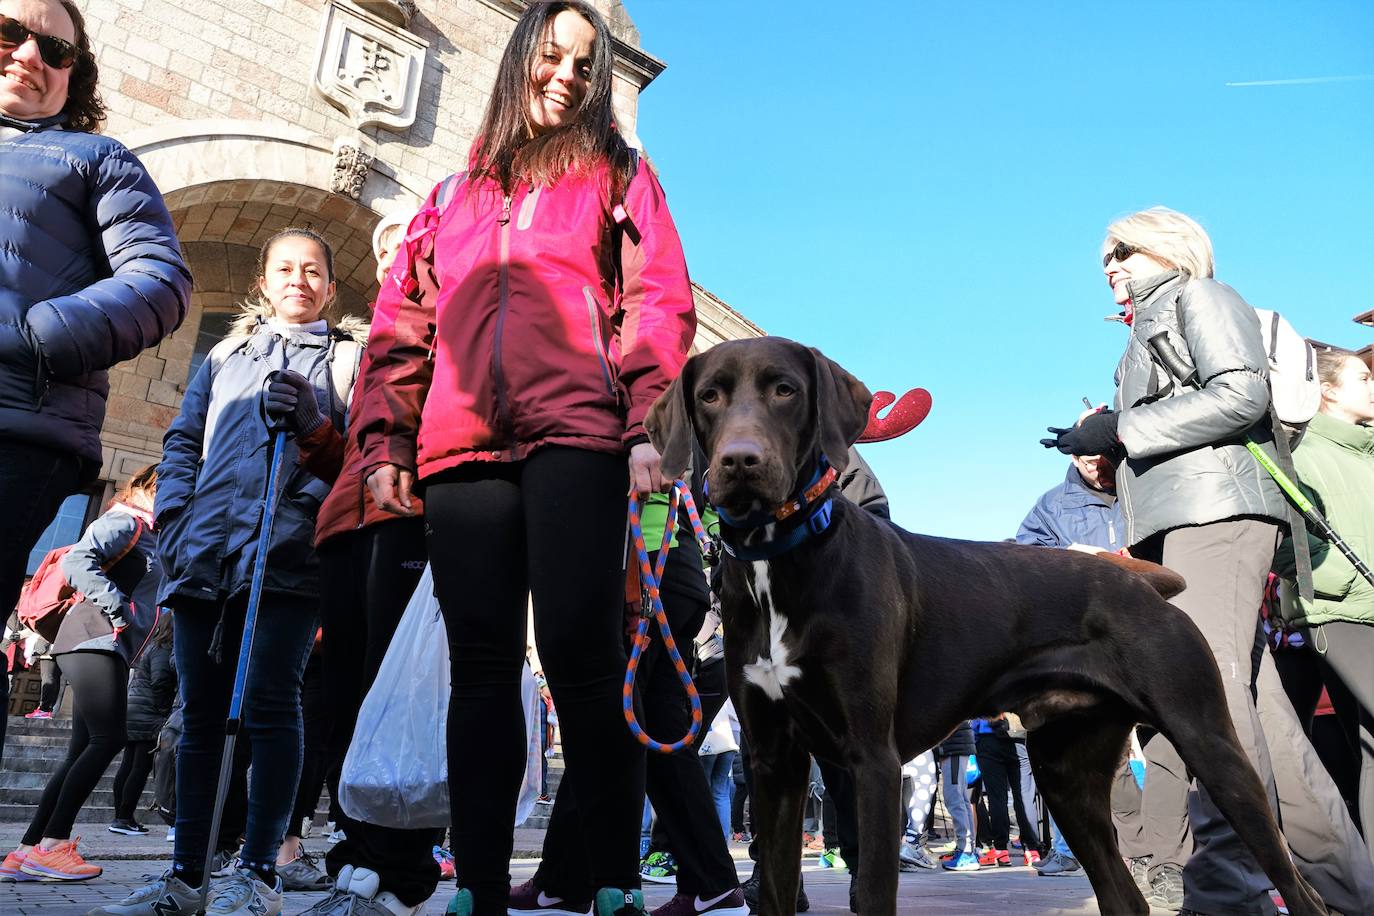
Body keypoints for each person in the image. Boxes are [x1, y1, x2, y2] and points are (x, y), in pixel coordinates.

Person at [354, 4, 695, 914]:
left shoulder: (620, 174)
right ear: (520, 60)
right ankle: (479, 886)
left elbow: (656, 303)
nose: (568, 77)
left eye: (586, 66)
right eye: (552, 56)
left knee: (584, 658)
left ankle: (614, 880)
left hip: (578, 436)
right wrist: (384, 441)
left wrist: (647, 429)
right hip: (460, 449)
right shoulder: (449, 197)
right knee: (481, 666)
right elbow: (401, 327)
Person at [1045, 206, 1374, 915]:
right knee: (1262, 711)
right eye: (1105, 254)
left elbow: (1241, 393)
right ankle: (1349, 891)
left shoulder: (1202, 296)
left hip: (1216, 515)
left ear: (1170, 249)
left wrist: (1123, 426)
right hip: (1181, 519)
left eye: (1123, 250)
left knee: (1212, 693)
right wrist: (1109, 438)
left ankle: (1228, 886)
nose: (1110, 265)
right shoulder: (1145, 331)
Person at [93, 228, 365, 916]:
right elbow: (184, 438)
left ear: (330, 288)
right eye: (284, 269)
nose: (298, 280)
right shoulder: (223, 355)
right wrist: (179, 517)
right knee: (198, 715)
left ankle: (258, 874)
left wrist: (311, 425)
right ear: (264, 282)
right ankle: (186, 874)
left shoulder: (346, 362)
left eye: (313, 271)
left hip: (289, 558)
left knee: (273, 709)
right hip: (206, 556)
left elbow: (360, 463)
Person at [0, 0, 191, 769]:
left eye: (53, 47)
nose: (27, 55)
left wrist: (41, 332)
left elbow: (160, 280)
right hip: (103, 635)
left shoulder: (94, 158)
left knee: (108, 737)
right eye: (9, 32)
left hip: (16, 424)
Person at [0, 464, 161, 883]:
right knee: (111, 738)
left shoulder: (154, 533)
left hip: (99, 642)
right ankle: (53, 845)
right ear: (149, 487)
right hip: (93, 637)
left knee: (82, 750)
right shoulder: (127, 519)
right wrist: (119, 610)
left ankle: (25, 851)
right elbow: (77, 561)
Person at [1273, 349, 1374, 858]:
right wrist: (1336, 578)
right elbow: (1285, 541)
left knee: (1369, 748)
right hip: (1341, 613)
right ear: (1328, 390)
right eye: (1363, 377)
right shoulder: (1303, 450)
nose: (1373, 385)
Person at [110, 613, 177, 836]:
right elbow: (160, 681)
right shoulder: (163, 649)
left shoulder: (152, 647)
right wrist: (163, 710)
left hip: (134, 711)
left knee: (128, 765)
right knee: (140, 767)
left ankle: (121, 817)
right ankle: (124, 817)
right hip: (148, 714)